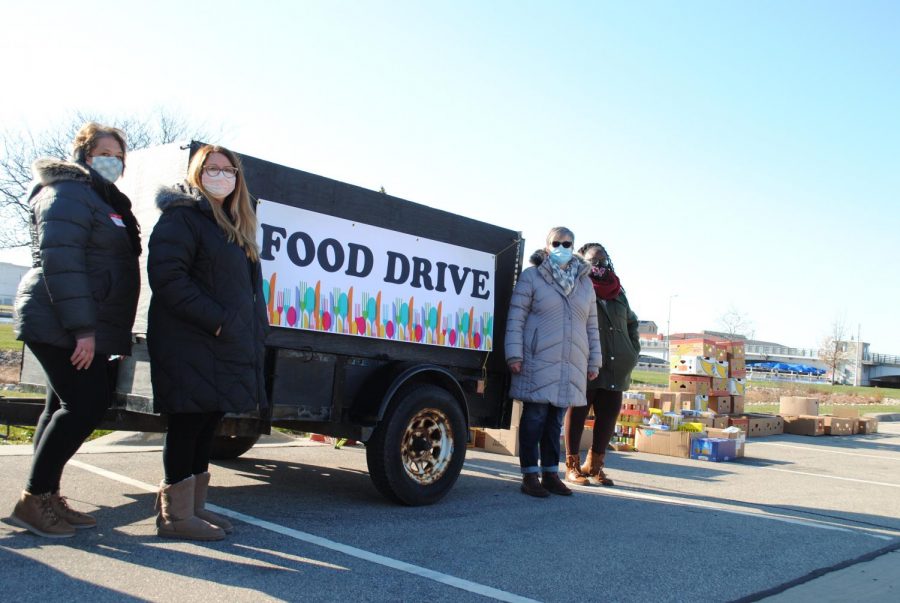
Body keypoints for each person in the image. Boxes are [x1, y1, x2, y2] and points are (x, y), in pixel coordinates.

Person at [9, 122, 141, 538]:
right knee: (85, 404)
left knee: (60, 406)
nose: (113, 161)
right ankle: (34, 499)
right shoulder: (67, 193)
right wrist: (84, 330)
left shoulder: (104, 200)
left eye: (119, 156)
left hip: (80, 322)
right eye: (104, 152)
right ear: (84, 155)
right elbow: (62, 264)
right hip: (59, 320)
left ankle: (45, 496)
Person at [147, 144, 268, 541]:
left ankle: (193, 508)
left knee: (207, 421)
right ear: (197, 174)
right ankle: (175, 517)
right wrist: (218, 323)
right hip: (190, 342)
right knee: (188, 421)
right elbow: (168, 279)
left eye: (227, 169)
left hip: (221, 345)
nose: (220, 175)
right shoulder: (183, 217)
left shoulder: (232, 225)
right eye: (211, 168)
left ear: (237, 178)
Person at [505, 227, 601, 497]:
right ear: (547, 247)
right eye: (556, 243)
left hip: (570, 362)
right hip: (538, 358)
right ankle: (529, 475)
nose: (562, 247)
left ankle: (550, 473)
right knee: (534, 416)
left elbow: (592, 326)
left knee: (555, 421)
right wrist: (514, 354)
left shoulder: (585, 283)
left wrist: (594, 361)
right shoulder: (532, 277)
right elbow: (516, 318)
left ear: (574, 247)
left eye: (567, 243)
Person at [563, 242, 640, 486]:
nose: (599, 265)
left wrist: (632, 350)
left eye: (603, 260)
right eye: (593, 261)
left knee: (608, 416)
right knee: (577, 413)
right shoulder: (577, 286)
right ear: (583, 261)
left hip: (617, 366)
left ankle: (594, 465)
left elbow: (632, 323)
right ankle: (572, 466)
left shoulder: (618, 292)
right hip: (586, 363)